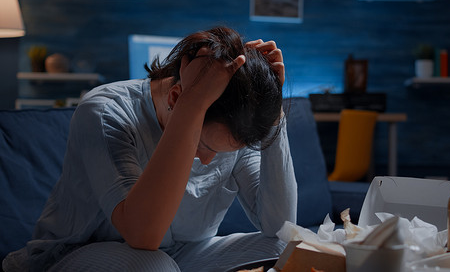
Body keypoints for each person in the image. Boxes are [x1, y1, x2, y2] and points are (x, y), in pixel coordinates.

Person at [3, 27, 297, 272]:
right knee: (153, 265)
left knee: (287, 246)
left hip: (181, 255)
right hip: (75, 255)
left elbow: (280, 226)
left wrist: (272, 114)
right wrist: (191, 106)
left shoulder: (233, 123)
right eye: (204, 145)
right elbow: (144, 235)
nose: (209, 161)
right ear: (174, 96)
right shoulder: (106, 112)